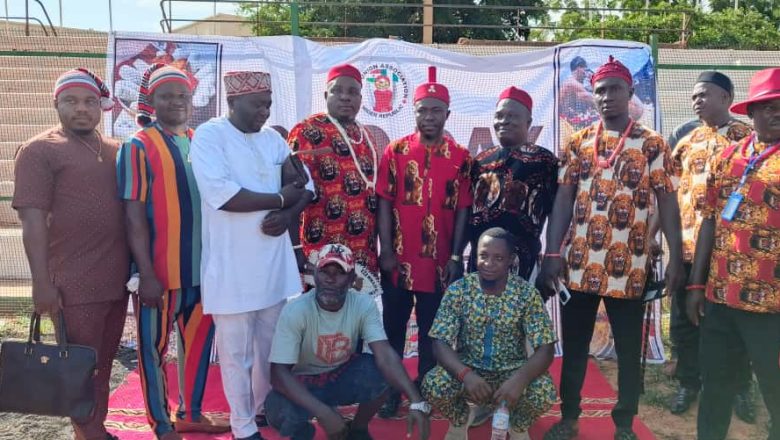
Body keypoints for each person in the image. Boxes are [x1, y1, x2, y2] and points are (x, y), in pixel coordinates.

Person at [538, 56, 684, 440]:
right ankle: (569, 418)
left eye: (614, 89)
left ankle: (624, 424)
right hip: (580, 266)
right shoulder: (579, 143)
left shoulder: (651, 145)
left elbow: (668, 203)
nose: (606, 98)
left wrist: (675, 258)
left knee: (628, 349)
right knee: (573, 348)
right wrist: (553, 254)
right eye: (600, 91)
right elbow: (563, 201)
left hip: (630, 266)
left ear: (630, 92)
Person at [190, 71, 313, 440]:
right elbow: (225, 196)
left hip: (274, 269)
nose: (264, 111)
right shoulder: (210, 137)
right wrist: (279, 200)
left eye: (268, 104)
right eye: (257, 104)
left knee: (270, 351)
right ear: (232, 102)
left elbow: (303, 185)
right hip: (232, 270)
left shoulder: (272, 141)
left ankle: (262, 410)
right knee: (236, 355)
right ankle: (242, 427)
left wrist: (289, 214)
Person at [13, 68, 129, 440]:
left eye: (90, 102)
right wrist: (41, 284)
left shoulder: (116, 149)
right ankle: (89, 433)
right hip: (71, 283)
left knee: (103, 362)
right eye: (71, 101)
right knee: (78, 365)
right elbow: (32, 222)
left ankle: (95, 428)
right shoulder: (39, 150)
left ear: (101, 107)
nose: (82, 109)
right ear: (56, 104)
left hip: (115, 280)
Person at [117, 64, 227, 440]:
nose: (176, 102)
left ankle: (191, 412)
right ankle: (161, 424)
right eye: (167, 96)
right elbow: (133, 215)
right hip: (161, 275)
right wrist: (145, 273)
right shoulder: (138, 145)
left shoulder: (203, 140)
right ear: (152, 100)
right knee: (153, 351)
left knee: (199, 345)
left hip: (204, 272)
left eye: (182, 95)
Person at [686, 67, 780, 440]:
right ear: (750, 112)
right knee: (716, 387)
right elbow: (709, 221)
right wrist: (696, 286)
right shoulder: (728, 158)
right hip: (722, 297)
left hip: (771, 304)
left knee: (775, 391)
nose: (775, 113)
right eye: (767, 106)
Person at [375, 66, 473, 418]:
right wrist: (386, 250)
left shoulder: (462, 157)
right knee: (392, 329)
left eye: (436, 110)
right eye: (422, 110)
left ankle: (426, 388)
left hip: (439, 263)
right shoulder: (396, 151)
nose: (429, 117)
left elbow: (463, 208)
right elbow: (384, 202)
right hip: (399, 260)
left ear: (447, 113)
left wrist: (456, 257)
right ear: (413, 112)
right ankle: (391, 391)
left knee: (435, 331)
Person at [266, 244, 431, 440]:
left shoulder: (363, 304)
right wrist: (324, 412)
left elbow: (385, 355)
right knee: (275, 408)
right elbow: (277, 374)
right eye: (324, 271)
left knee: (383, 371)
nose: (330, 279)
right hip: (305, 381)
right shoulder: (296, 311)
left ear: (352, 279)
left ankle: (358, 429)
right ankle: (303, 432)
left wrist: (416, 400)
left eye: (339, 272)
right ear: (315, 275)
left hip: (340, 375)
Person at [666, 71, 755, 417]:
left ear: (727, 98)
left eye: (704, 94)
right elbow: (670, 192)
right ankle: (689, 382)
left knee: (732, 322)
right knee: (685, 321)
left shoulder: (748, 140)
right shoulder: (687, 141)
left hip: (731, 251)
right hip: (689, 248)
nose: (696, 100)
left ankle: (740, 389)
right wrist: (658, 237)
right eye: (693, 96)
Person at [423, 227, 557, 440]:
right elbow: (439, 342)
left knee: (545, 391)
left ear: (511, 260)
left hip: (512, 374)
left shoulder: (526, 293)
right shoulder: (459, 290)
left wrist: (520, 380)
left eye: (498, 258)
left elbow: (546, 348)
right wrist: (465, 375)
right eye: (483, 256)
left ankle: (517, 426)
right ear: (475, 256)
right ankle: (460, 420)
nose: (489, 263)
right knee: (433, 384)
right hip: (469, 372)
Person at [288, 64, 380, 276]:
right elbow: (292, 192)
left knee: (359, 308)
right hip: (320, 253)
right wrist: (295, 249)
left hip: (363, 255)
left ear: (360, 98)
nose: (345, 97)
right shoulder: (308, 131)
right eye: (337, 91)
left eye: (352, 92)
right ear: (325, 94)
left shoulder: (366, 135)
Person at [469, 86, 558, 280]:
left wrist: (552, 256)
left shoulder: (545, 161)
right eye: (499, 115)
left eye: (512, 116)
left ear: (528, 122)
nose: (504, 121)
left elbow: (555, 214)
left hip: (523, 263)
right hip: (480, 265)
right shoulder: (480, 161)